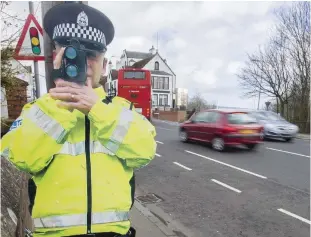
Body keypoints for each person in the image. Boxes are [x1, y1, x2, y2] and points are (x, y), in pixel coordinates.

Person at [1, 3, 156, 237]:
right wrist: (62, 106)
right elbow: (20, 159)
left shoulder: (123, 110)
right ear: (56, 56)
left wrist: (96, 109)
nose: (81, 61)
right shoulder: (38, 110)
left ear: (104, 66)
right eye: (70, 50)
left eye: (91, 54)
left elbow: (144, 152)